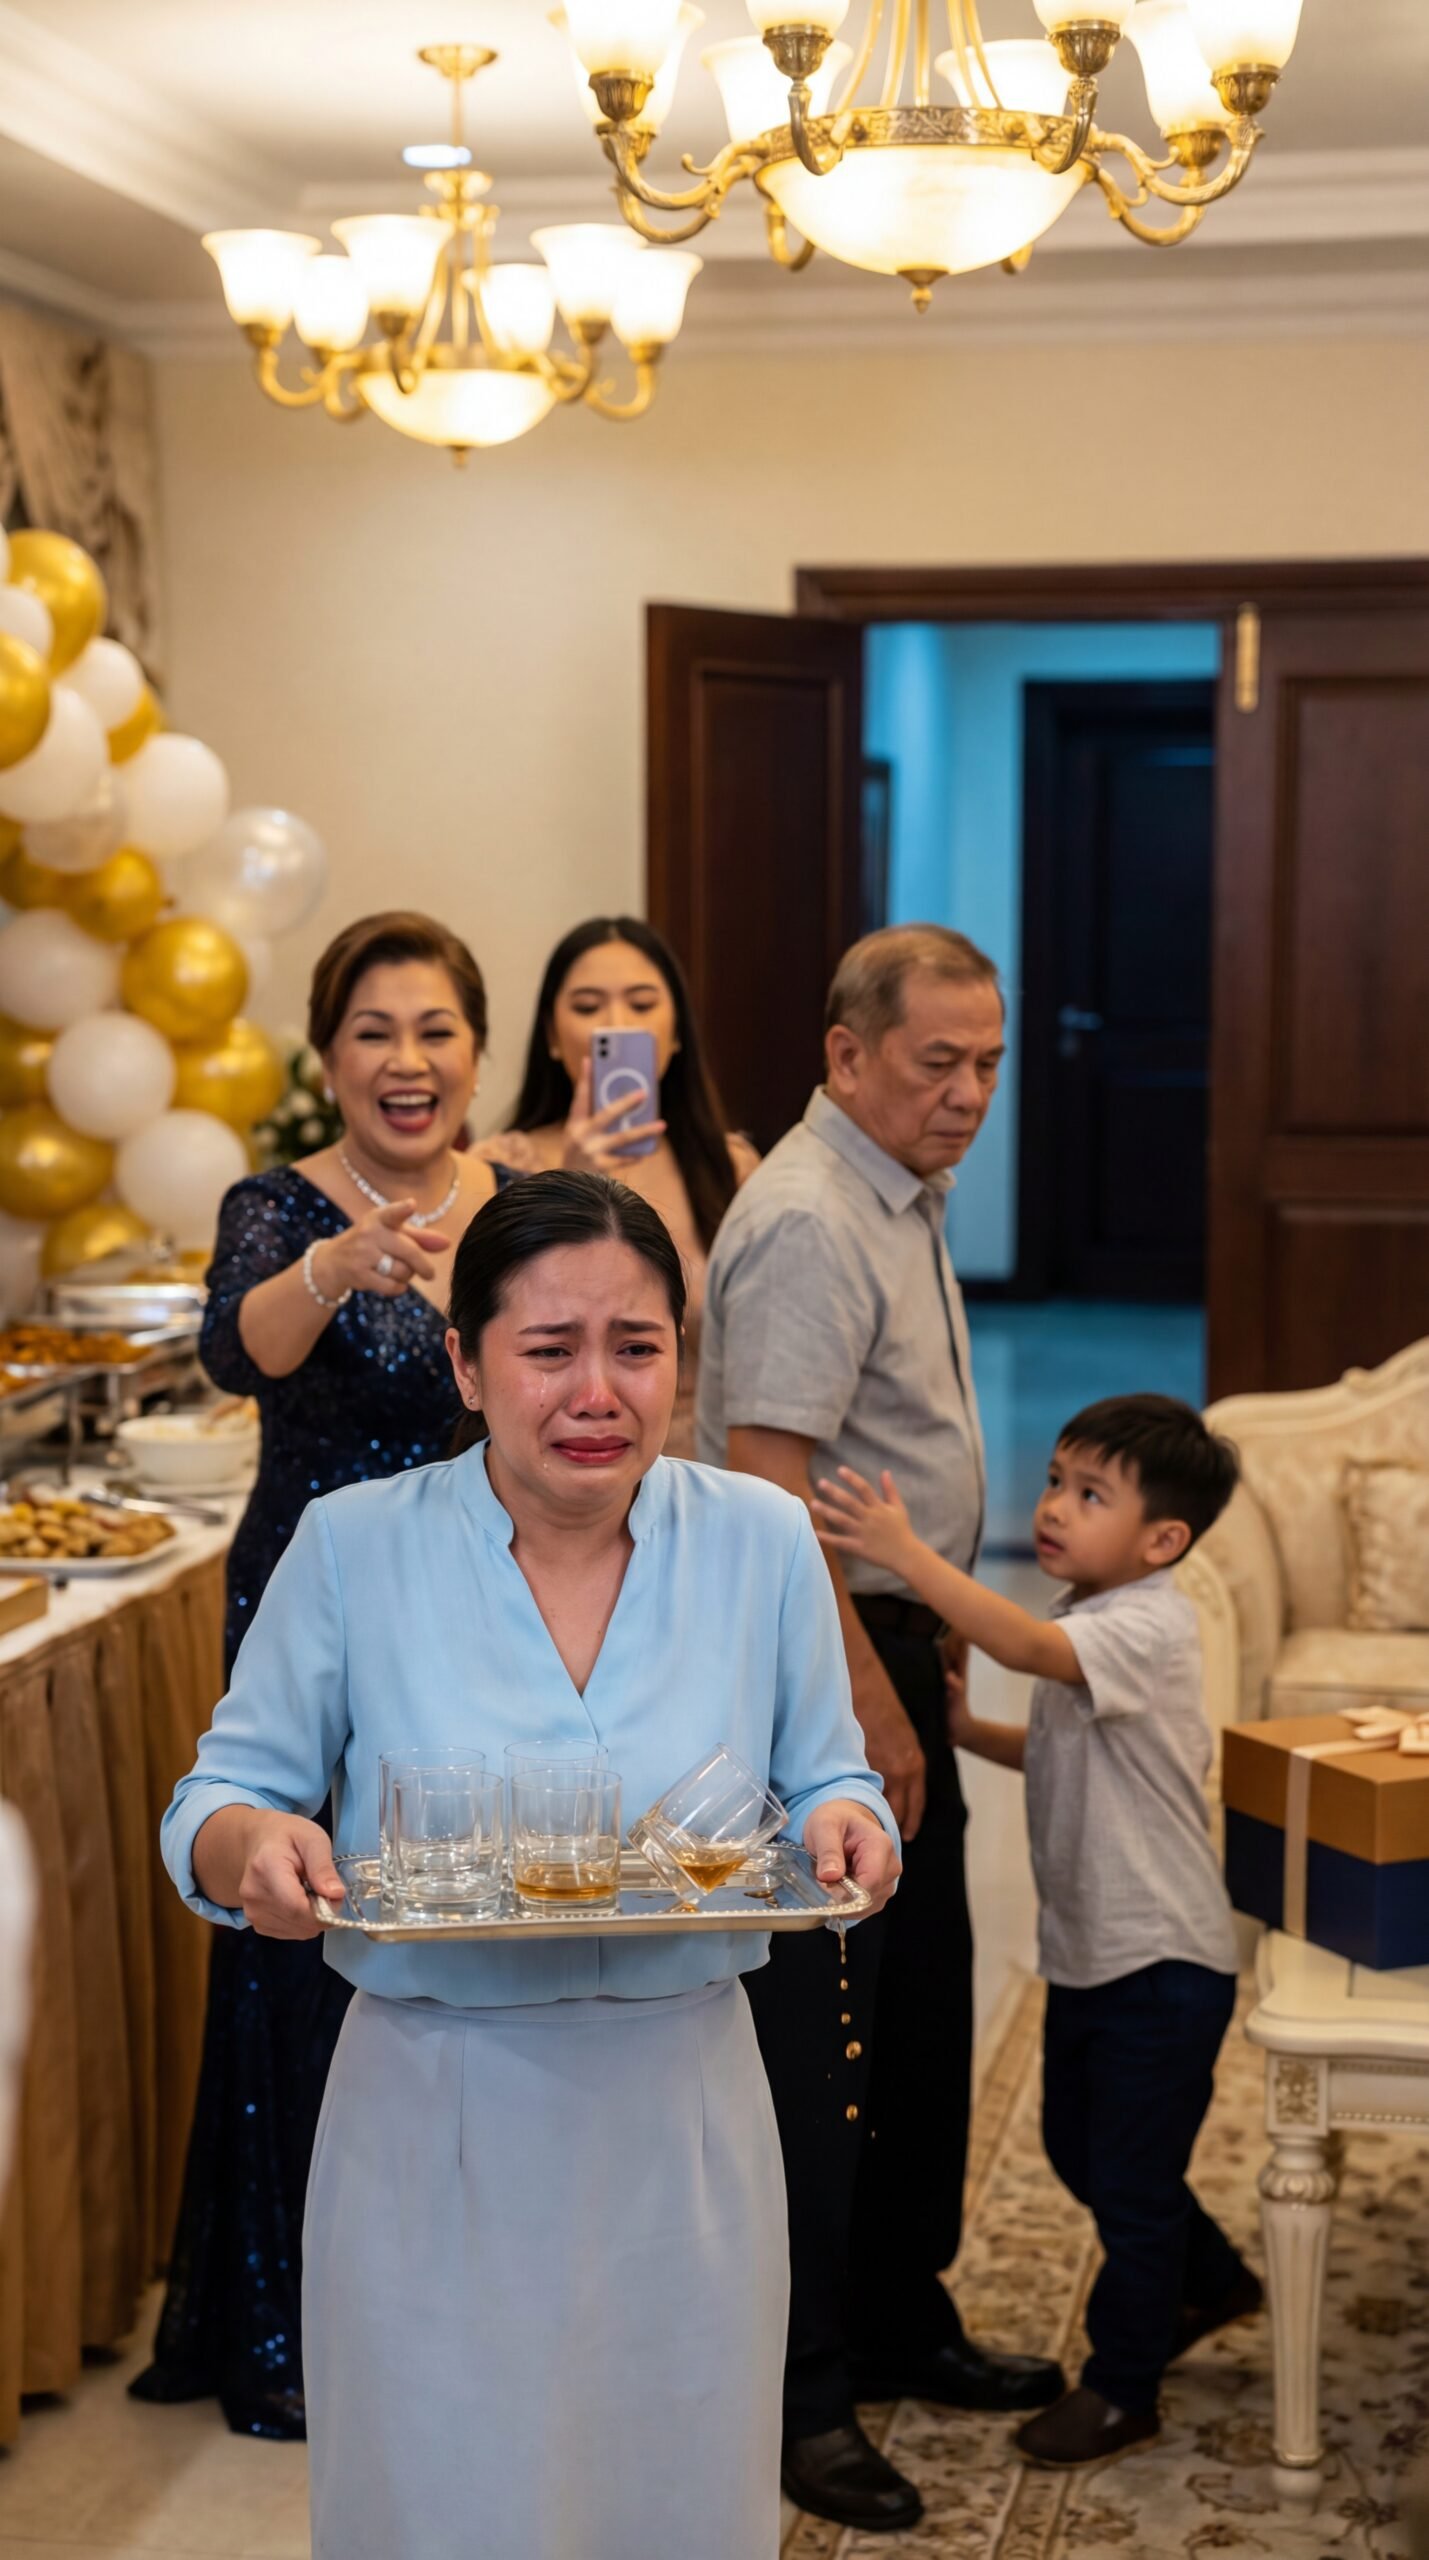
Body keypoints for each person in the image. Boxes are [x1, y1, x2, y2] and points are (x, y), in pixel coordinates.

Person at [158, 1171, 900, 2560]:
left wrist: (848, 1823)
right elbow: (219, 1795)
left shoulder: (759, 1539)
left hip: (683, 2112)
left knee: (674, 2502)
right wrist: (255, 1843)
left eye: (637, 1347)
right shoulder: (355, 1546)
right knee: (447, 2504)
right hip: (434, 2111)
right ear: (466, 1362)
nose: (596, 1393)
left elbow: (828, 1774)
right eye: (549, 1349)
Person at [697, 924, 1062, 2534]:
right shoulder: (806, 1215)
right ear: (847, 1056)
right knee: (826, 2043)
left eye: (989, 1063)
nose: (971, 1093)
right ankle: (804, 2392)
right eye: (939, 1063)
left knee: (917, 2013)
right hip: (820, 1670)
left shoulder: (896, 1190)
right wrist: (859, 1694)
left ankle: (902, 2317)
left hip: (891, 1644)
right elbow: (769, 1484)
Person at [132, 911, 512, 2439]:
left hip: (480, 1597)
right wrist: (336, 1267)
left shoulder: (514, 1201)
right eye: (373, 1031)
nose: (406, 1061)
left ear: (475, 1051)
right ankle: (285, 2312)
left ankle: (461, 2287)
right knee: (307, 1913)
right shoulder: (276, 1206)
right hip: (314, 1605)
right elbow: (239, 1354)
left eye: (434, 1030)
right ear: (326, 1056)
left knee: (463, 1896)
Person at [815, 1392, 1258, 2467]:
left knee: (1131, 2184)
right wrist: (969, 1732)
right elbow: (1064, 1748)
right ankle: (1210, 2279)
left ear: (1162, 1541)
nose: (1053, 1506)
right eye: (1056, 1481)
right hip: (1096, 1956)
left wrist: (903, 1555)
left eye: (1090, 1495)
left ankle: (1121, 2387)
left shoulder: (1144, 1624)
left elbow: (1017, 1641)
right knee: (1078, 2147)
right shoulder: (1093, 1613)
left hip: (1162, 1961)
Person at [475, 916, 757, 1455]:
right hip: (568, 1464)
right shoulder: (498, 1168)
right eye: (587, 1007)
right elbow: (488, 1339)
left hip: (713, 1468)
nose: (617, 1025)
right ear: (552, 1036)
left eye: (642, 1004)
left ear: (676, 1033)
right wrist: (566, 1187)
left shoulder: (730, 1168)